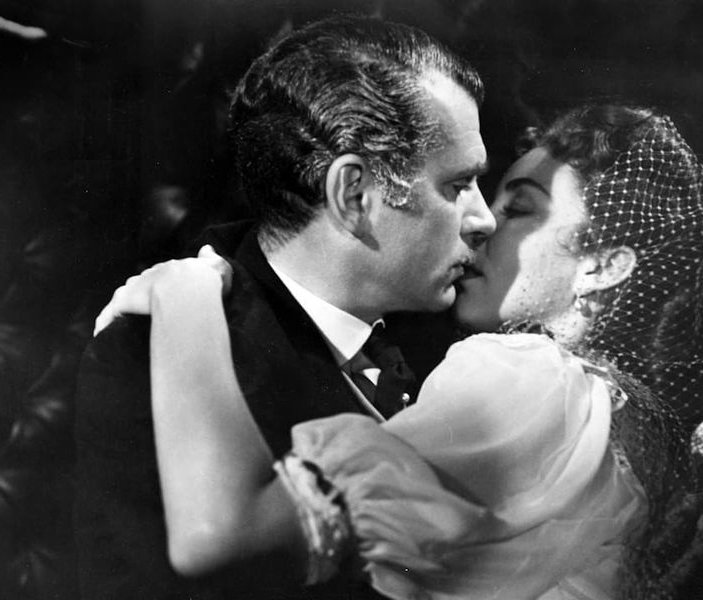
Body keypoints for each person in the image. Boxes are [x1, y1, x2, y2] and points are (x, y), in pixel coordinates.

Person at [97, 104, 703, 599]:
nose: (481, 224)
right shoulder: (631, 421)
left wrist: (186, 292)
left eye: (520, 208)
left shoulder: (532, 377)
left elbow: (220, 536)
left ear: (603, 266)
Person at [72, 16, 496, 600]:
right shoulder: (148, 356)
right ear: (354, 194)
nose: (484, 219)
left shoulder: (448, 340)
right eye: (457, 185)